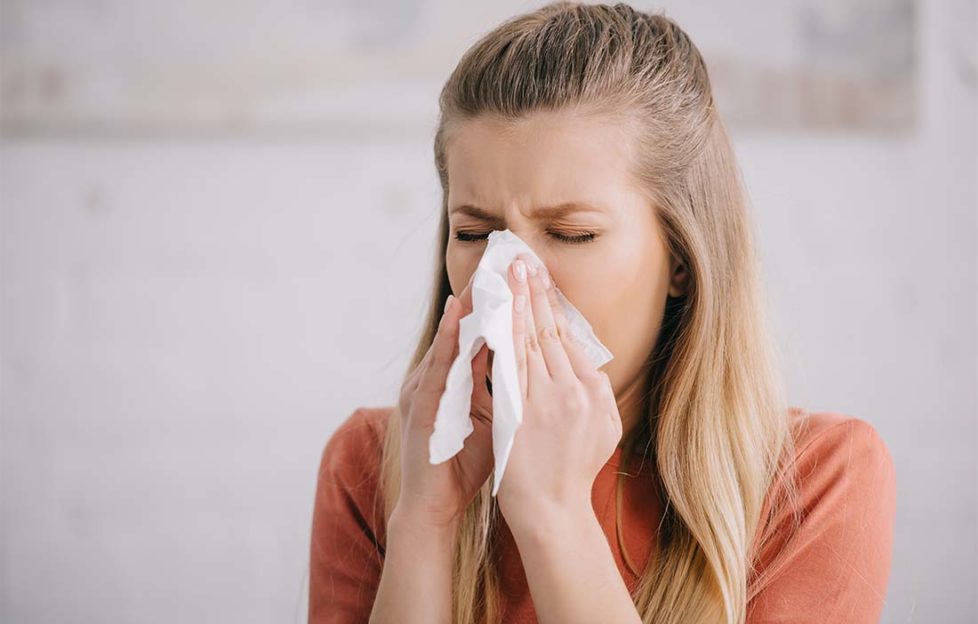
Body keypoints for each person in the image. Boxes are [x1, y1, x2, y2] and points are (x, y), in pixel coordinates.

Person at [308, 2, 896, 623]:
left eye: (572, 233)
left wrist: (555, 517)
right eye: (475, 232)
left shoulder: (818, 481)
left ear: (681, 259)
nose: (508, 277)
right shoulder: (374, 465)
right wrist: (425, 524)